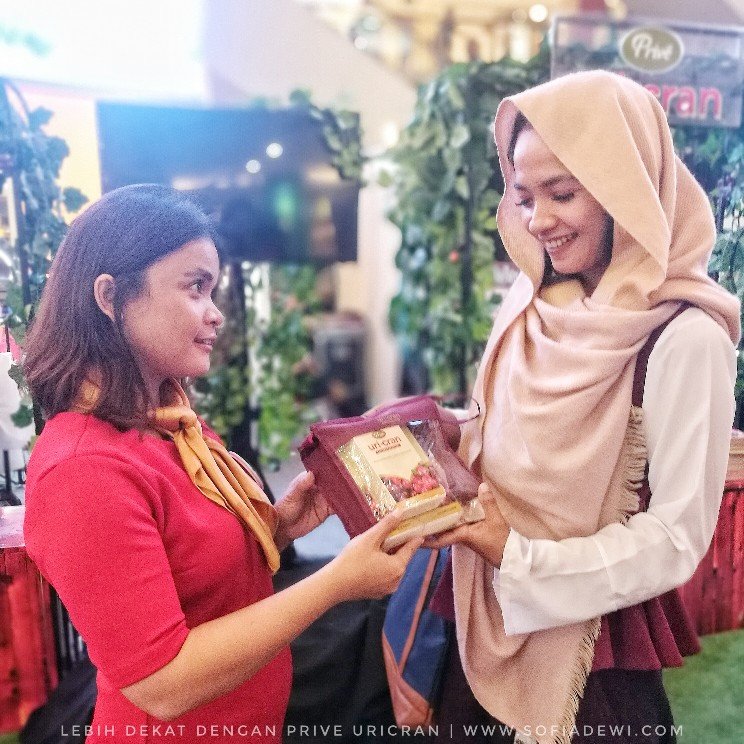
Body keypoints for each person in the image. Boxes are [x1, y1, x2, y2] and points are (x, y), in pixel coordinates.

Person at [22, 184, 422, 743]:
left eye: (212, 290)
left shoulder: (169, 420)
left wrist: (280, 527)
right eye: (195, 287)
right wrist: (337, 582)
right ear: (110, 297)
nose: (215, 315)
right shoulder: (82, 469)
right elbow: (162, 682)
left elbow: (198, 577)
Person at [425, 70, 740, 744]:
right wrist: (453, 434)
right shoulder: (535, 302)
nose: (538, 221)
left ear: (627, 185)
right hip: (480, 620)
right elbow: (514, 429)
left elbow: (676, 537)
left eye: (563, 193)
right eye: (523, 197)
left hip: (590, 660)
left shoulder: (686, 337)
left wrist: (516, 554)